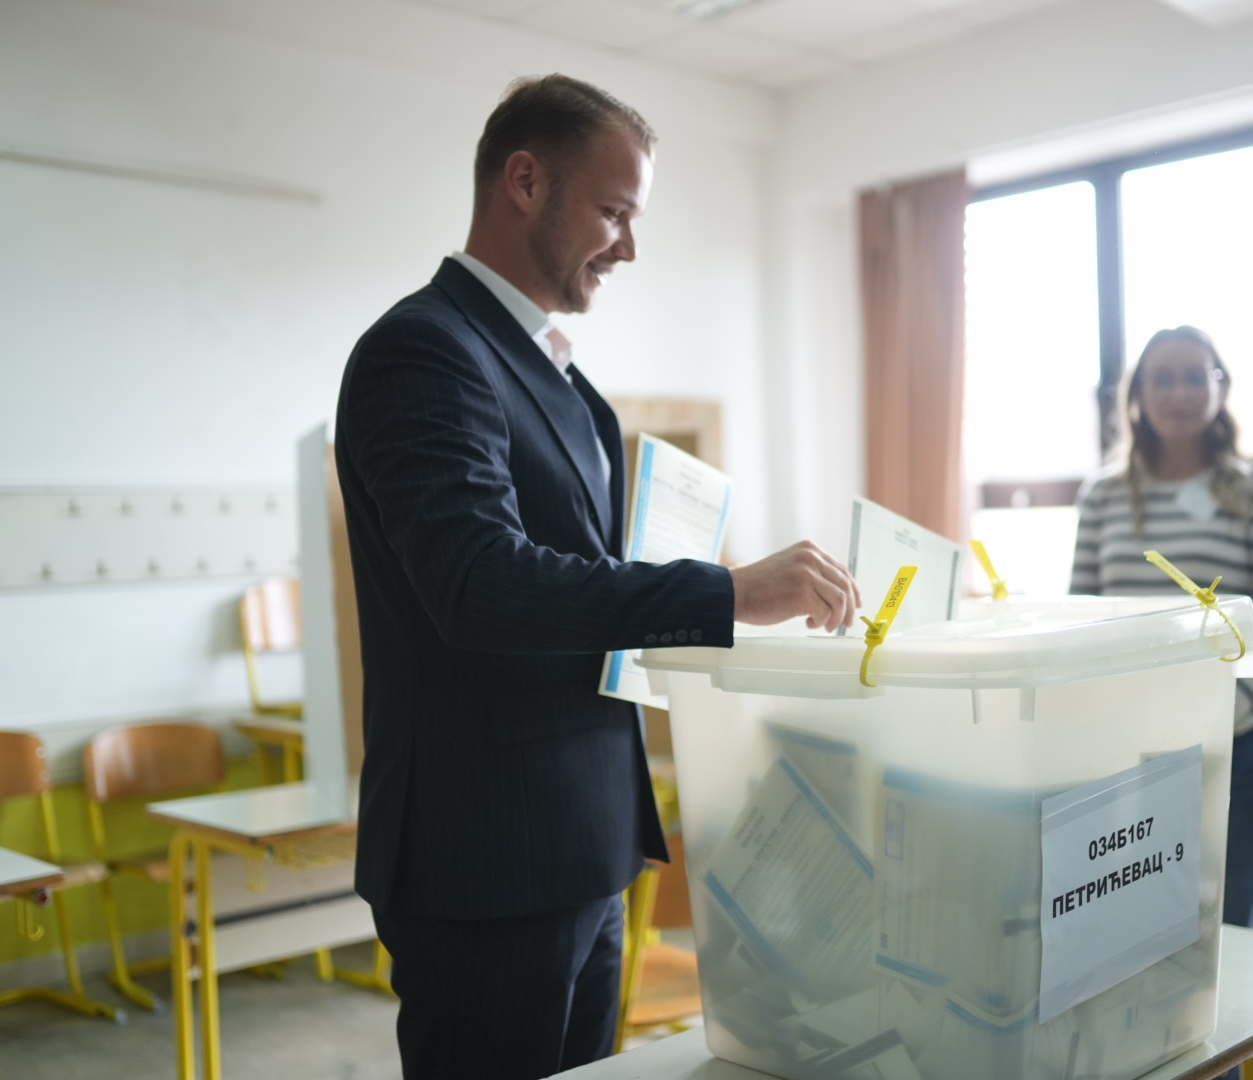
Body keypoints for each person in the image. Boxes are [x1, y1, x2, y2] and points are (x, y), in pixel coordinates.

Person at [334, 74, 860, 1080]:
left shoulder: (565, 383)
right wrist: (728, 596)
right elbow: (480, 583)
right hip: (483, 850)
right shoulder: (424, 351)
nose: (628, 245)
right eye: (613, 211)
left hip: (586, 835)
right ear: (523, 181)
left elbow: (583, 581)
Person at [1070, 325, 1253, 929]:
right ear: (1136, 396)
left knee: (1217, 940)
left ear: (1220, 386)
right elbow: (1079, 619)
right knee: (1126, 937)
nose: (1177, 393)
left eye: (1192, 377)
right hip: (1120, 752)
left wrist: (1210, 715)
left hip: (1234, 752)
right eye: (1162, 378)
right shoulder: (1102, 494)